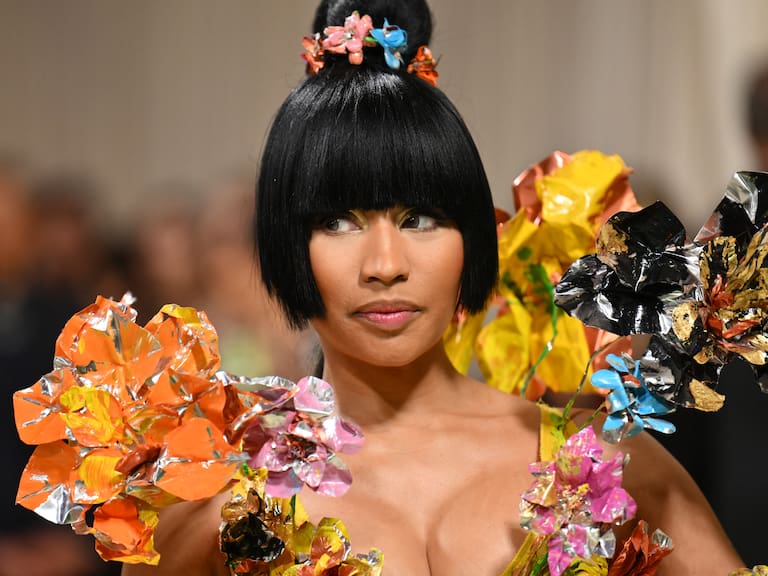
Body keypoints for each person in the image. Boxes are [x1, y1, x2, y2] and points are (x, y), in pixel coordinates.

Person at [123, 1, 743, 574]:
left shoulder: (606, 467)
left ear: (472, 238)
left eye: (420, 219)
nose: (385, 264)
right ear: (286, 243)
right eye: (336, 221)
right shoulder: (214, 497)